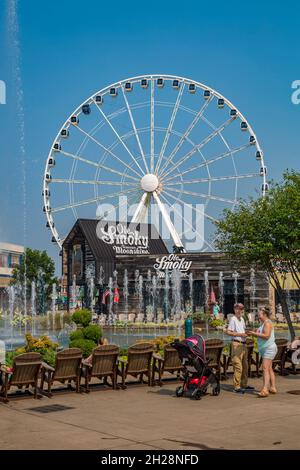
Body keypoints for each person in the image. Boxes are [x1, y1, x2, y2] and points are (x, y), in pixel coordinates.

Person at [247, 306, 278, 398]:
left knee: (264, 368)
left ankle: (265, 390)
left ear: (264, 314)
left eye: (259, 314)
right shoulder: (263, 323)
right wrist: (252, 333)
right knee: (269, 368)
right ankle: (272, 387)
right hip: (266, 348)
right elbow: (261, 335)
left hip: (269, 348)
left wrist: (254, 334)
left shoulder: (267, 323)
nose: (258, 316)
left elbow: (266, 336)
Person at [227, 303, 254, 394]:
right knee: (238, 366)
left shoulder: (242, 319)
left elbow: (242, 331)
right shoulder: (233, 319)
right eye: (238, 309)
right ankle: (236, 387)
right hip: (236, 344)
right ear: (235, 309)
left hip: (243, 345)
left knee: (245, 366)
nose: (240, 310)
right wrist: (240, 334)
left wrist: (248, 333)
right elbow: (229, 332)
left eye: (242, 309)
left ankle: (244, 384)